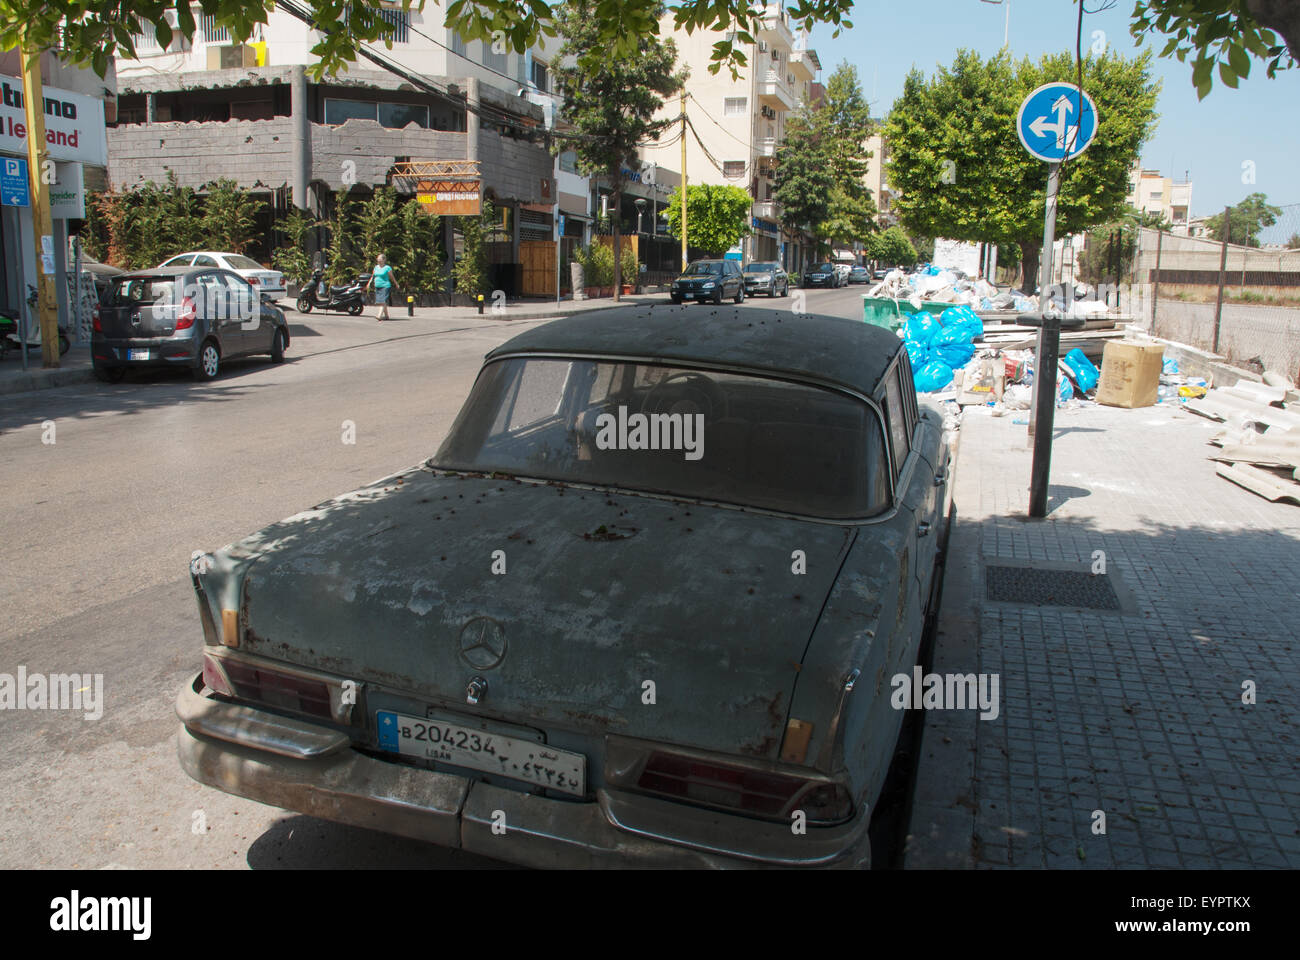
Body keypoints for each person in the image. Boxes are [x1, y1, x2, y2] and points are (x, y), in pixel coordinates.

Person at [368, 253, 396, 321]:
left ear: (384, 260)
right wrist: (369, 283)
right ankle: (386, 316)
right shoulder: (376, 267)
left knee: (382, 301)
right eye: (378, 258)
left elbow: (392, 277)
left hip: (385, 286)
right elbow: (373, 276)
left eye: (379, 258)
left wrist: (396, 283)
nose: (378, 259)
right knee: (382, 302)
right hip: (377, 286)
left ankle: (379, 316)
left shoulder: (387, 268)